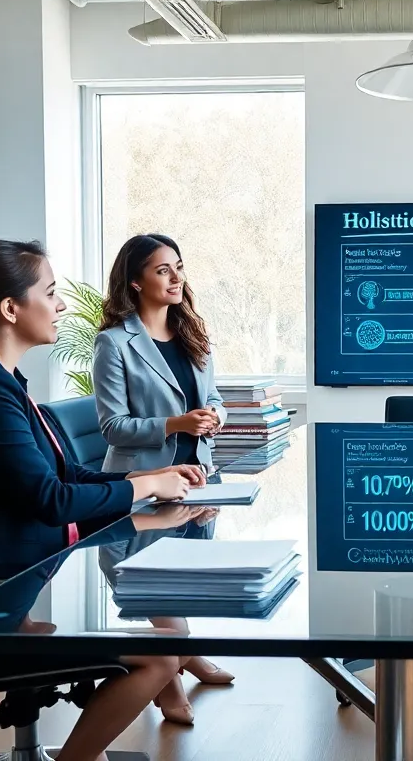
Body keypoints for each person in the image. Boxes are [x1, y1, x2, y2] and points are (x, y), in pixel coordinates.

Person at [0, 238, 217, 761]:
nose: (62, 305)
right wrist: (143, 488)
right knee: (160, 656)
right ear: (10, 309)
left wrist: (154, 481)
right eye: (50, 293)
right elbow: (50, 500)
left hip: (20, 574)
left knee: (155, 631)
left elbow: (62, 474)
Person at [92, 233, 234, 724]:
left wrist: (214, 415)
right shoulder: (114, 343)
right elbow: (112, 427)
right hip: (144, 485)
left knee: (181, 579)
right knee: (151, 582)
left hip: (198, 478)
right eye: (162, 270)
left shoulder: (193, 333)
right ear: (135, 281)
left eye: (178, 267)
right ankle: (171, 678)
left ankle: (184, 653)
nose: (176, 278)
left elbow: (214, 398)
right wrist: (176, 424)